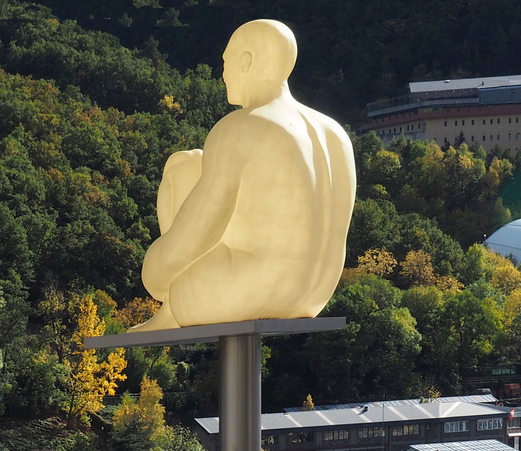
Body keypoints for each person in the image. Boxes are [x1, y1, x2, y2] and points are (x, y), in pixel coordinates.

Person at [134, 19, 356, 331]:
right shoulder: (334, 133)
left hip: (236, 293)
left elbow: (200, 229)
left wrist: (154, 276)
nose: (223, 74)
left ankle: (170, 309)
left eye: (225, 63)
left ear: (247, 61)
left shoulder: (241, 126)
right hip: (313, 295)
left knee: (180, 166)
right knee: (193, 162)